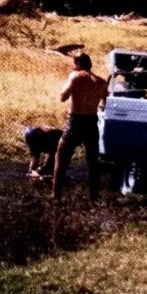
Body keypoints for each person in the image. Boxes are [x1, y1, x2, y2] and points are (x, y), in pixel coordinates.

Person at [52, 52, 108, 199]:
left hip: (76, 121)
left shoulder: (75, 76)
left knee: (61, 158)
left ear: (77, 63)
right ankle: (94, 197)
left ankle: (56, 196)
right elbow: (104, 104)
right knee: (93, 163)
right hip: (91, 122)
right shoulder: (101, 82)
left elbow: (62, 97)